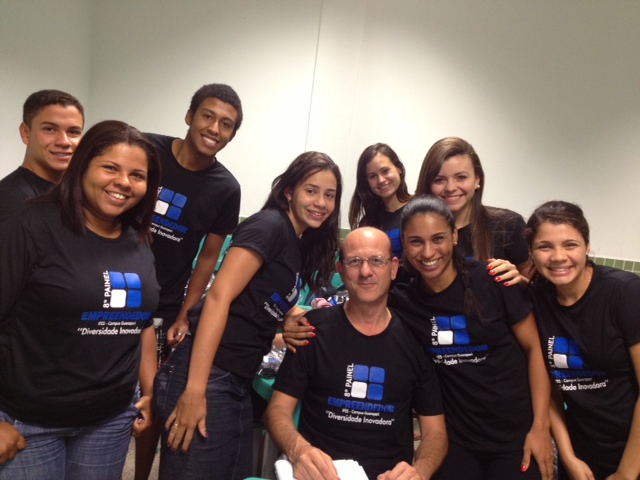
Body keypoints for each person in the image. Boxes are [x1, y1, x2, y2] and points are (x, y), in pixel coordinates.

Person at [285, 196, 554, 480]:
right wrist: (294, 323)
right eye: (416, 241)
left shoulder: (493, 281)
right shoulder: (405, 300)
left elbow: (535, 349)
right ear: (403, 244)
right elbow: (360, 303)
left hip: (515, 435)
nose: (428, 252)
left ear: (454, 236)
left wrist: (540, 427)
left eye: (438, 238)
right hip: (457, 439)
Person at [153, 151, 342, 479]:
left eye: (330, 195)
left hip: (238, 378)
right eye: (311, 191)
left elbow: (256, 299)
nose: (321, 203)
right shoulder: (270, 225)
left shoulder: (295, 242)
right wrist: (195, 391)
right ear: (289, 191)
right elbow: (219, 298)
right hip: (209, 375)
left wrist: (288, 318)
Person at [0, 120, 161, 478]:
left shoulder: (138, 240)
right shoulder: (30, 225)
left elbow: (142, 324)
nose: (123, 182)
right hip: (29, 422)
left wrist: (151, 393)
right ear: (82, 166)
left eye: (137, 175)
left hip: (110, 420)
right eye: (110, 168)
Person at [265, 227, 447, 480]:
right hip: (322, 475)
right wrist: (299, 451)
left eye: (377, 261)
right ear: (340, 270)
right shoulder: (311, 330)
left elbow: (435, 432)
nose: (365, 271)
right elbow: (277, 410)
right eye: (354, 262)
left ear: (394, 268)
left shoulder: (416, 339)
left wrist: (420, 471)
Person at [135, 83, 242, 480]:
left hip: (161, 306)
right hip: (113, 291)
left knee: (153, 400)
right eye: (208, 116)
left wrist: (185, 313)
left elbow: (208, 257)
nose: (214, 128)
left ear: (232, 135)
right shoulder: (147, 149)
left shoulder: (227, 189)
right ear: (189, 116)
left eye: (226, 124)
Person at [525, 201, 640, 480]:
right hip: (582, 453)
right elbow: (549, 389)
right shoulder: (536, 300)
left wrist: (626, 473)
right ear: (530, 252)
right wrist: (568, 457)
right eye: (544, 247)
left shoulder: (625, 293)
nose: (558, 257)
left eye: (570, 245)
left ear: (587, 246)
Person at [415, 137, 531, 284]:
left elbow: (535, 288)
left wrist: (519, 281)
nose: (450, 188)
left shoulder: (508, 225)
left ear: (477, 179)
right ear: (427, 184)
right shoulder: (414, 232)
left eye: (461, 177)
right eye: (439, 180)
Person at [0, 89, 84, 213]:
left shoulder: (74, 193)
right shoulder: (10, 200)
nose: (64, 142)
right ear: (25, 133)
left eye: (73, 132)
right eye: (49, 129)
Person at [348, 143, 412, 261]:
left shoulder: (420, 209)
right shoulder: (368, 222)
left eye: (385, 171)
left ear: (399, 168)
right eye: (372, 176)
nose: (381, 180)